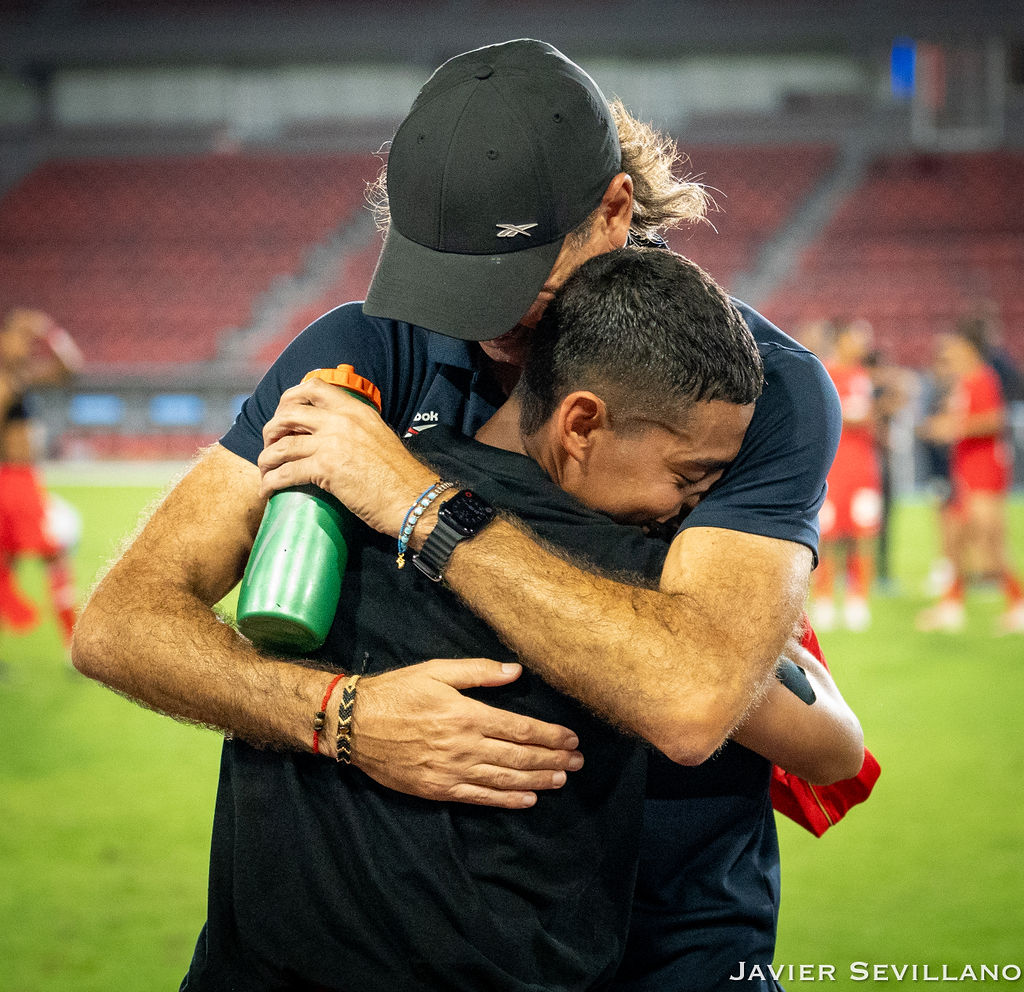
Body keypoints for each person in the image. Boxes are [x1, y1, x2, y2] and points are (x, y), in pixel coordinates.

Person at [72, 38, 844, 982]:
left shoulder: (749, 393)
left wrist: (415, 499)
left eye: (519, 292)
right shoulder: (372, 348)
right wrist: (336, 713)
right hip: (359, 944)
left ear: (613, 210)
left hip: (666, 939)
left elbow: (693, 700)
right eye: (453, 281)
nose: (482, 326)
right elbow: (121, 622)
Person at [172, 247, 861, 990]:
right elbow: (820, 740)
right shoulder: (633, 569)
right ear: (581, 424)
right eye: (688, 478)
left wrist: (327, 709)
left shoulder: (342, 486)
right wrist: (345, 716)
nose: (690, 505)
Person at [916, 324, 1024, 634]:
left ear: (969, 349)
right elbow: (963, 418)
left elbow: (994, 420)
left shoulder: (983, 379)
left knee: (990, 539)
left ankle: (1017, 603)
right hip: (965, 468)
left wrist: (955, 428)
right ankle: (952, 606)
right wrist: (939, 425)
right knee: (960, 539)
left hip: (984, 469)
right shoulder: (965, 381)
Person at [0, 308, 84, 654]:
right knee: (55, 551)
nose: (28, 345)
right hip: (13, 483)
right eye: (21, 337)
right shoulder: (6, 380)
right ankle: (74, 646)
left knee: (9, 564)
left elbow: (70, 369)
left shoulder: (20, 376)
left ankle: (72, 644)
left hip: (22, 481)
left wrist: (51, 333)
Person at [811, 320, 883, 631]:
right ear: (841, 340)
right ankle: (824, 599)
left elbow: (866, 417)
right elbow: (831, 414)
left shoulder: (862, 375)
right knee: (826, 536)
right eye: (856, 339)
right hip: (832, 469)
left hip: (863, 469)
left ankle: (857, 599)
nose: (862, 345)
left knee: (862, 536)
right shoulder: (823, 372)